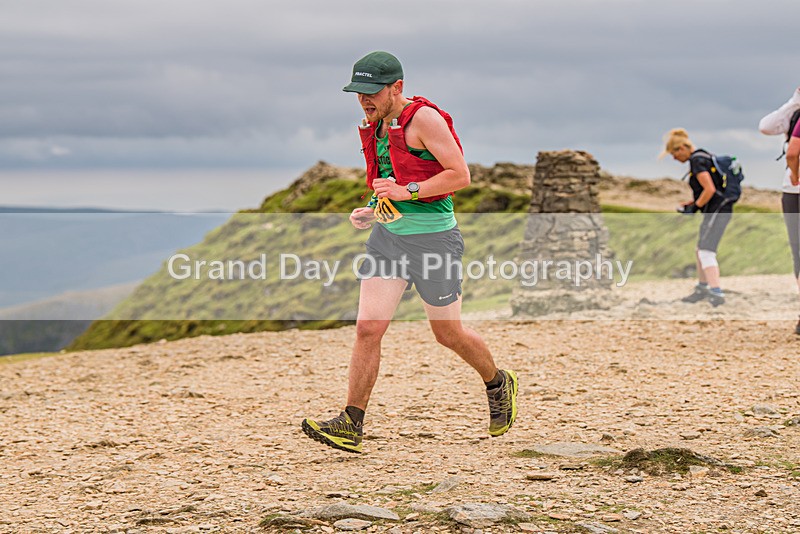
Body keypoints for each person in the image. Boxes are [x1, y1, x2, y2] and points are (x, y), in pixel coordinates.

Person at [301, 51, 518, 453]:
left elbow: (460, 175)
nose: (365, 100)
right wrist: (373, 206)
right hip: (388, 239)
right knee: (368, 328)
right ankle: (352, 422)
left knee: (447, 333)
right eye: (358, 93)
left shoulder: (424, 120)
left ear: (396, 87)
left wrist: (407, 193)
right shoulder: (376, 124)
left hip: (435, 242)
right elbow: (389, 175)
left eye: (372, 92)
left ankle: (497, 381)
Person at [662, 128, 733, 307]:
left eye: (673, 153)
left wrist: (695, 207)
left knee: (706, 251)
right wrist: (692, 203)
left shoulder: (697, 161)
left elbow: (709, 189)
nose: (674, 158)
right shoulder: (704, 156)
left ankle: (716, 292)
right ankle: (702, 287)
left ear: (682, 149)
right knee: (700, 248)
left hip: (717, 210)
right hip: (718, 209)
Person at [759, 87, 800, 335]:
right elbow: (768, 126)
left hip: (795, 191)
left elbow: (792, 151)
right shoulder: (794, 115)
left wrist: (795, 173)